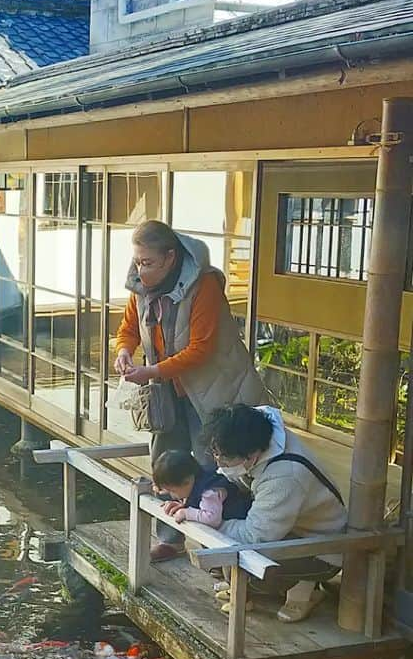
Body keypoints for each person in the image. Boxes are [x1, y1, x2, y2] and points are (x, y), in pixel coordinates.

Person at [113, 220, 265, 561]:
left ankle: (221, 545)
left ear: (170, 257)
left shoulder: (204, 284)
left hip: (213, 390)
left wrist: (151, 370)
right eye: (137, 262)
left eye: (147, 262)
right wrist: (123, 350)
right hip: (167, 390)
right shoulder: (140, 286)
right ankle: (171, 537)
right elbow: (128, 329)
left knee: (214, 465)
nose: (140, 269)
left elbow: (201, 349)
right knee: (165, 462)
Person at [204, 404, 348, 623]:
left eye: (225, 459)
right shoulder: (253, 430)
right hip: (287, 526)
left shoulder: (285, 477)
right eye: (216, 454)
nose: (219, 463)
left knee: (255, 571)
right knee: (220, 549)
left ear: (251, 455)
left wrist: (208, 522)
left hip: (321, 548)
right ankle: (263, 584)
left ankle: (304, 589)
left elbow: (254, 536)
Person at [151, 448, 251, 528]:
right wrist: (185, 504)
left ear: (187, 481)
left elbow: (212, 519)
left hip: (239, 523)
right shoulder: (198, 478)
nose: (172, 496)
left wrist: (186, 513)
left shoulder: (209, 493)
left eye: (173, 491)